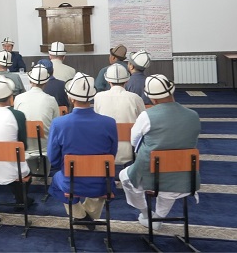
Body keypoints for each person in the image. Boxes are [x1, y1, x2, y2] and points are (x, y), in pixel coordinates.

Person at [119, 74, 201, 229]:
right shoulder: (193, 115)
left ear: (153, 99)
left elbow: (134, 141)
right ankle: (158, 218)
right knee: (169, 187)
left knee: (125, 177)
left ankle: (145, 214)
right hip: (185, 176)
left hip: (151, 174)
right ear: (172, 91)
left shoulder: (147, 115)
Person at [48, 73, 118, 228]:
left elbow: (53, 158)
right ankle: (89, 217)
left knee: (56, 180)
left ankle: (81, 216)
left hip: (71, 182)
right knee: (105, 177)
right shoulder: (109, 123)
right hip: (102, 183)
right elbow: (112, 155)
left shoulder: (59, 123)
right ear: (92, 97)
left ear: (71, 98)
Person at [0, 77, 32, 207]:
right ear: (11, 96)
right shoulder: (18, 115)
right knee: (21, 165)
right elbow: (23, 145)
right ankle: (21, 199)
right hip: (14, 168)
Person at [93, 64, 146, 165]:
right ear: (127, 80)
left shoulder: (98, 97)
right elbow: (143, 124)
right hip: (131, 154)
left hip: (106, 151)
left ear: (108, 81)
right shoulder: (135, 98)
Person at [13, 64, 60, 174]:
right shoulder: (51, 100)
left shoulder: (18, 98)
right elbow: (56, 126)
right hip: (45, 148)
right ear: (46, 83)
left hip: (24, 147)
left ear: (30, 80)